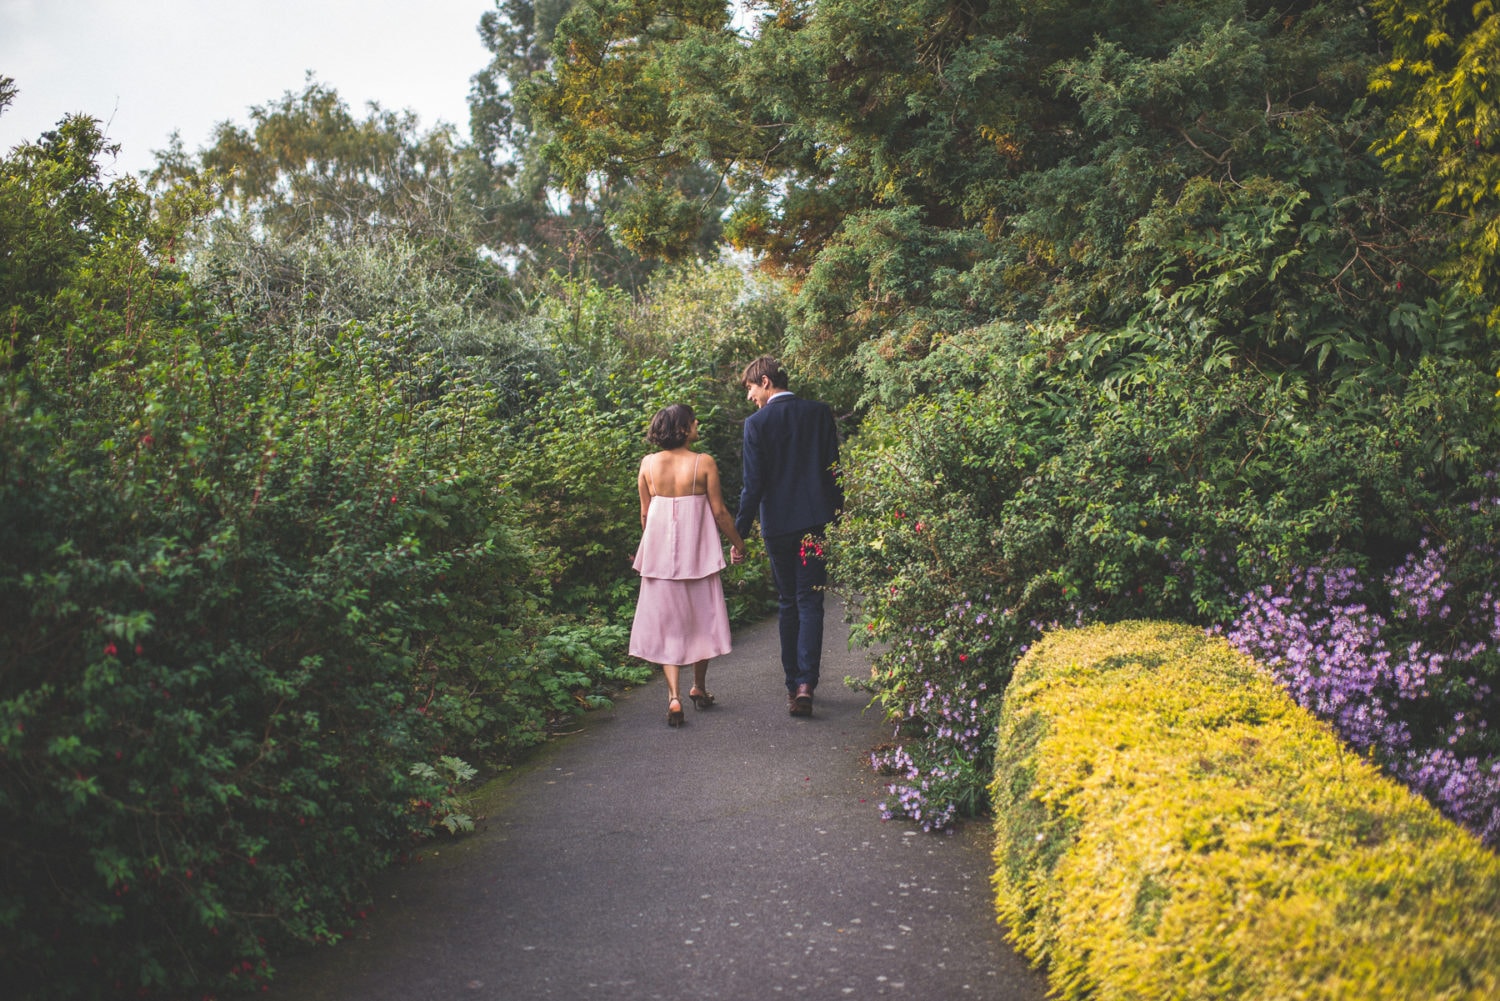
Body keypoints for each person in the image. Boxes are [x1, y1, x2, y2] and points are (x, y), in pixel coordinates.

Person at [733, 356, 842, 717]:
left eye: (750, 388)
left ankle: (793, 686)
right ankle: (807, 683)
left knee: (787, 603)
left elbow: (753, 486)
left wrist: (740, 534)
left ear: (765, 382)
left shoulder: (756, 425)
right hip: (814, 523)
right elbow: (833, 470)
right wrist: (838, 515)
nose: (749, 396)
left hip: (778, 526)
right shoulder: (819, 412)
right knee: (810, 600)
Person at [629, 404, 747, 727]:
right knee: (701, 619)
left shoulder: (648, 465)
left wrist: (653, 549)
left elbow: (644, 514)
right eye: (693, 421)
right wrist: (738, 543)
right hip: (699, 556)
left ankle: (674, 697)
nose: (697, 424)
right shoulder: (703, 462)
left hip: (660, 560)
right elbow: (720, 512)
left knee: (668, 625)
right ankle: (699, 686)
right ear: (682, 429)